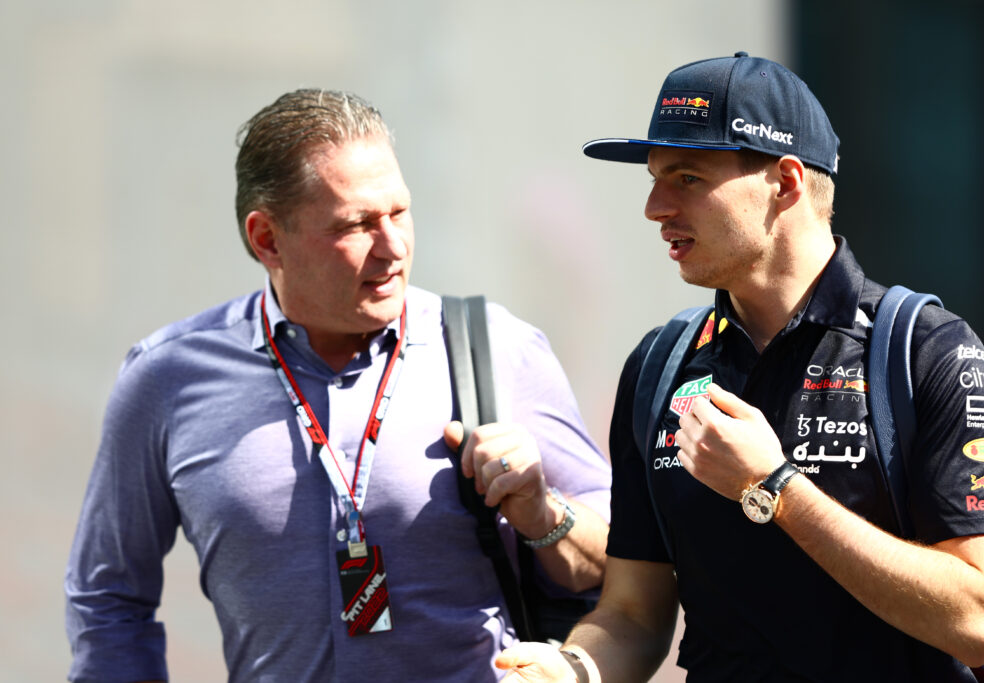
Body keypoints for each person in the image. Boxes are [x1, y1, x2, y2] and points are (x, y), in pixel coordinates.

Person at [496, 52, 984, 681]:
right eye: (656, 176)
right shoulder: (661, 365)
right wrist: (576, 669)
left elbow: (981, 615)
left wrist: (775, 487)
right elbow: (634, 616)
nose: (655, 207)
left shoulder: (924, 349)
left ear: (787, 182)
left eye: (687, 177)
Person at [64, 89, 611, 683]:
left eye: (399, 213)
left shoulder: (497, 349)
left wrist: (540, 512)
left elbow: (624, 565)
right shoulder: (166, 379)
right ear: (267, 239)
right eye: (357, 224)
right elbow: (108, 597)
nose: (394, 247)